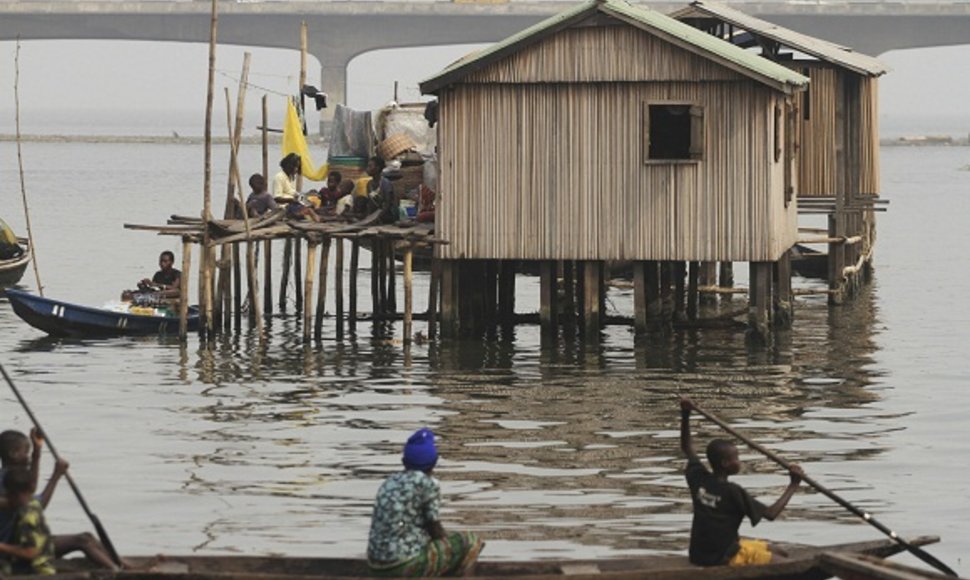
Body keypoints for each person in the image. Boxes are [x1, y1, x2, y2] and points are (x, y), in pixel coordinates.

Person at [679, 398, 803, 567]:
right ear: (725, 464)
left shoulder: (698, 478)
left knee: (780, 551)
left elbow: (687, 448)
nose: (739, 462)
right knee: (786, 564)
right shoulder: (732, 491)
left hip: (699, 555)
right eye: (735, 458)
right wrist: (793, 485)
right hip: (723, 558)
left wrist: (685, 414)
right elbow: (771, 514)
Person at [367, 428, 483, 577]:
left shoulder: (389, 482)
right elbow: (434, 529)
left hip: (375, 567)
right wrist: (450, 546)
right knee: (470, 541)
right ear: (434, 463)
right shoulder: (429, 484)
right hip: (402, 566)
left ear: (404, 462)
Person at [0, 430, 119, 572]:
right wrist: (56, 475)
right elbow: (38, 505)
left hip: (26, 541)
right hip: (13, 550)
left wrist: (37, 451)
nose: (28, 457)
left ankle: (122, 565)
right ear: (13, 454)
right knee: (83, 540)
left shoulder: (11, 478)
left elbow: (30, 488)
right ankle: (119, 572)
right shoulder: (6, 482)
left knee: (87, 537)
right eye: (26, 452)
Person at [0, 467, 55, 576]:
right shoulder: (34, 504)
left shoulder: (27, 517)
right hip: (39, 561)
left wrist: (1, 546)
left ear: (11, 495)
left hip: (37, 570)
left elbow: (31, 553)